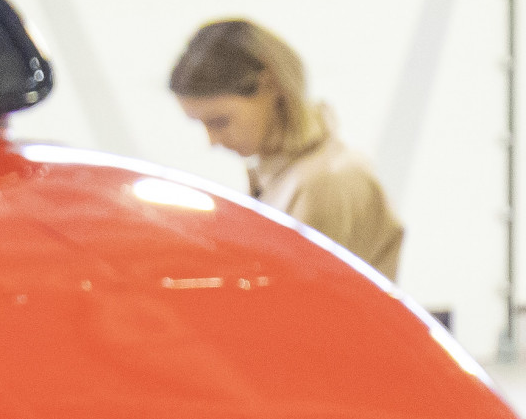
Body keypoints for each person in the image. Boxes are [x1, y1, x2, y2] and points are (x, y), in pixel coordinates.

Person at [168, 17, 404, 278]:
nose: (212, 140)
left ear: (270, 85)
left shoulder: (328, 182)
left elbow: (308, 308)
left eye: (220, 121)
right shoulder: (278, 178)